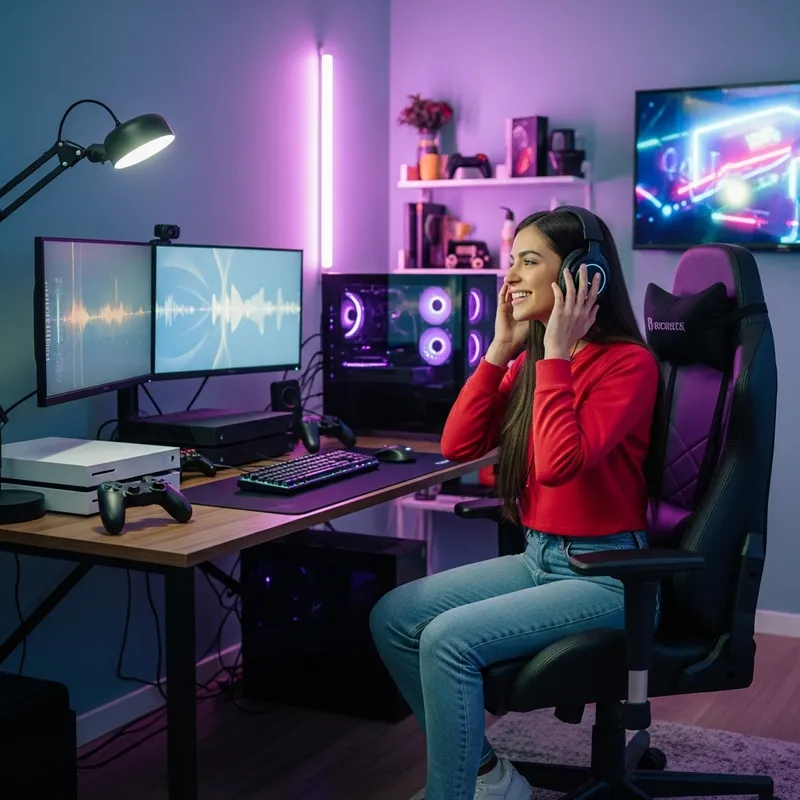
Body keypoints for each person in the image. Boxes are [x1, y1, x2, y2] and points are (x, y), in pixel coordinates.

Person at [369, 207, 667, 800]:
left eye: (529, 261)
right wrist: (500, 351)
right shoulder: (532, 363)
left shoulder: (628, 365)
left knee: (446, 640)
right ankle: (487, 777)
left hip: (610, 578)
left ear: (584, 276)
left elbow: (559, 466)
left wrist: (555, 352)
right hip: (540, 559)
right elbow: (457, 445)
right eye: (511, 261)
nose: (510, 277)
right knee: (395, 617)